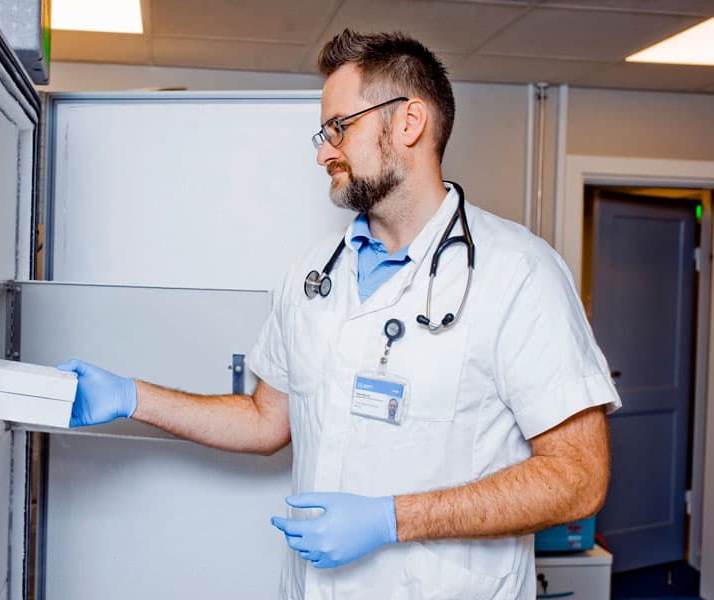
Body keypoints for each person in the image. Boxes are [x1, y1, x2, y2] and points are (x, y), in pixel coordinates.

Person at [57, 30, 620, 600]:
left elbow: (577, 479)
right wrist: (132, 397)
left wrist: (390, 519)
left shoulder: (519, 273)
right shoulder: (311, 275)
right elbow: (265, 420)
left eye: (339, 128)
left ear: (408, 123)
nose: (324, 151)